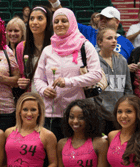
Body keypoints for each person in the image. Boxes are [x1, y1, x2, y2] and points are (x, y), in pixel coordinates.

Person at [32, 8, 103, 138]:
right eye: (56, 21)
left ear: (72, 23)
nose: (59, 24)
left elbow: (96, 74)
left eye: (64, 21)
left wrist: (68, 82)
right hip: (51, 112)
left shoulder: (85, 46)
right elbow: (38, 78)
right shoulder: (48, 50)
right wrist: (44, 90)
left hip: (78, 113)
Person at [16, 5, 53, 94]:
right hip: (31, 96)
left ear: (48, 22)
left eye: (40, 18)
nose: (34, 22)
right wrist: (21, 82)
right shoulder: (21, 47)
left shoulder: (54, 46)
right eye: (32, 19)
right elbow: (22, 75)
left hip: (51, 94)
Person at [96, 28, 133, 116]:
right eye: (109, 38)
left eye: (115, 38)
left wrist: (125, 107)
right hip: (99, 113)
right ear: (100, 42)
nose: (114, 41)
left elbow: (128, 88)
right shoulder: (93, 61)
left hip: (120, 113)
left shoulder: (122, 60)